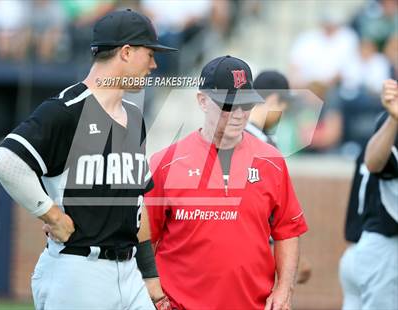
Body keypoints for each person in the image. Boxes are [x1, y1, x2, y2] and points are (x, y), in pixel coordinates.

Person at [0, 9, 177, 310]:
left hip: (128, 274)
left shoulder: (133, 116)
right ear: (126, 52)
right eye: (149, 54)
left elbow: (137, 206)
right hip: (78, 271)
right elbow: (6, 161)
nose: (154, 64)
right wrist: (50, 213)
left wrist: (149, 276)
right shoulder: (66, 109)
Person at [146, 56, 308, 310]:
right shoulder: (165, 163)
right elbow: (144, 238)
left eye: (246, 104)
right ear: (202, 100)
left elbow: (288, 230)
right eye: (228, 104)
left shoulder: (272, 161)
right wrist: (153, 291)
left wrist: (284, 289)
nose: (238, 114)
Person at [248, 70, 312, 285]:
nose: (283, 113)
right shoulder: (254, 144)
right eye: (284, 106)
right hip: (250, 254)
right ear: (273, 99)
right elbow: (264, 209)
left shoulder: (252, 139)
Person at [340, 79, 398, 309]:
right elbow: (374, 163)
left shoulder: (383, 128)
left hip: (362, 248)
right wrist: (394, 118)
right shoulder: (389, 124)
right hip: (383, 246)